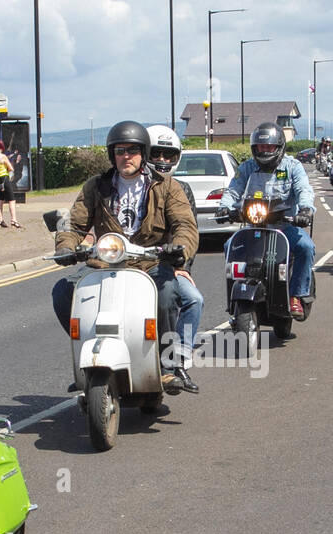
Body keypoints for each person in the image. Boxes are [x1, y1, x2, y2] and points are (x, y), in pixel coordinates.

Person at [51, 120, 201, 394]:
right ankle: (87, 352)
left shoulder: (167, 187)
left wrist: (178, 248)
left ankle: (168, 366)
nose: (126, 157)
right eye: (120, 151)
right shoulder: (96, 186)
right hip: (104, 263)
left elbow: (185, 225)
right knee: (63, 292)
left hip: (150, 263)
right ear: (112, 155)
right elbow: (73, 223)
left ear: (143, 154)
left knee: (167, 294)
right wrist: (66, 246)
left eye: (132, 150)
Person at [218, 121, 316, 319]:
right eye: (261, 147)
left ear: (279, 147)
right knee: (230, 246)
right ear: (255, 148)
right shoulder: (247, 167)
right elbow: (234, 189)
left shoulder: (292, 167)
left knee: (306, 247)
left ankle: (297, 295)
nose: (265, 151)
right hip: (254, 225)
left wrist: (305, 210)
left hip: (285, 226)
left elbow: (304, 190)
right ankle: (236, 295)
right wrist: (225, 208)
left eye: (269, 147)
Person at [146, 124, 204, 371]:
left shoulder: (182, 189)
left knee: (193, 299)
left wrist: (182, 266)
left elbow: (188, 230)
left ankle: (178, 354)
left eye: (168, 155)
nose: (162, 159)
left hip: (166, 264)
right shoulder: (122, 185)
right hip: (126, 263)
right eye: (156, 153)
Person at [0, 140, 20, 227]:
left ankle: (0, 219)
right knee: (11, 199)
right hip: (4, 178)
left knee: (0, 199)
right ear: (1, 146)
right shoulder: (2, 156)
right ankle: (13, 220)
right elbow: (11, 168)